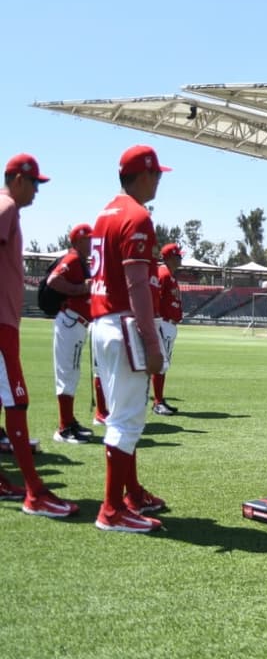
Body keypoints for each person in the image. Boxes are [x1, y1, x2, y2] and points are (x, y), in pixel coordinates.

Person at [91, 145, 173, 531]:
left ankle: (128, 493)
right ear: (142, 175)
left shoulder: (105, 212)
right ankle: (111, 510)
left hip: (101, 323)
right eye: (156, 174)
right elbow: (138, 284)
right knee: (125, 421)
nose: (158, 180)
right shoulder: (136, 216)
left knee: (121, 417)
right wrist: (152, 344)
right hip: (123, 324)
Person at [0, 153, 79, 515]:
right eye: (34, 183)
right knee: (17, 402)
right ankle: (35, 492)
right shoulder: (7, 208)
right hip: (0, 325)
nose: (36, 190)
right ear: (17, 179)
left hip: (6, 322)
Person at [47, 223, 96, 444]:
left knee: (72, 374)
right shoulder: (73, 258)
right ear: (78, 240)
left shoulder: (81, 261)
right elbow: (54, 280)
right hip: (70, 322)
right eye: (88, 239)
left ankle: (69, 420)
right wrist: (80, 289)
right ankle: (64, 427)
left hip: (76, 323)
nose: (91, 243)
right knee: (67, 374)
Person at [150, 242, 184, 415]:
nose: (181, 259)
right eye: (178, 256)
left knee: (164, 364)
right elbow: (153, 297)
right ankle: (157, 402)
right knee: (160, 364)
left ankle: (160, 399)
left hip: (169, 324)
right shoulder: (163, 274)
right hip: (163, 322)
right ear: (170, 257)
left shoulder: (170, 275)